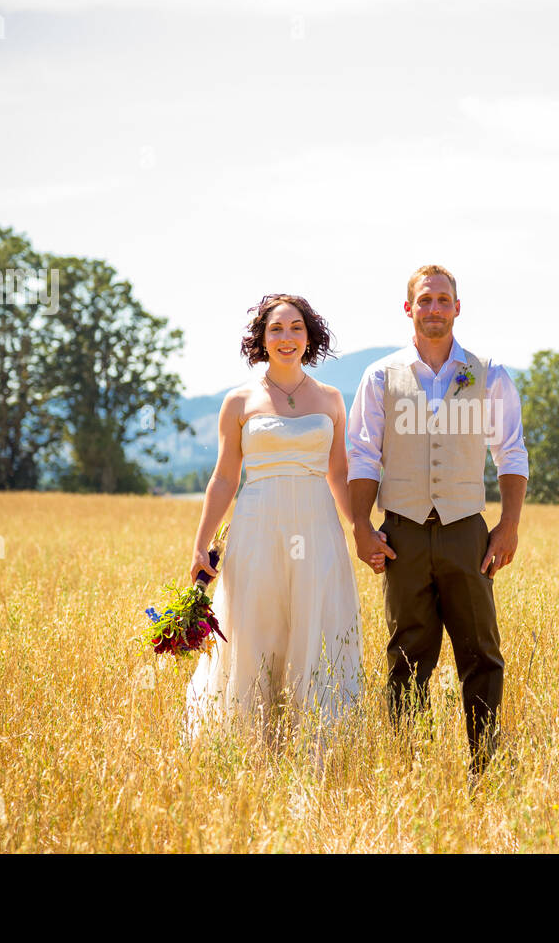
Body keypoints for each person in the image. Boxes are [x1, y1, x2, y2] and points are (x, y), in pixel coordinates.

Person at [347, 264, 528, 779]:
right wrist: (361, 525)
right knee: (406, 655)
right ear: (409, 309)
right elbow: (362, 455)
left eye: (442, 300)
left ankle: (485, 770)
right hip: (400, 532)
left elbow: (510, 452)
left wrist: (508, 525)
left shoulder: (487, 372)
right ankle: (406, 771)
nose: (433, 309)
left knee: (481, 653)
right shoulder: (381, 377)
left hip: (466, 531)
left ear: (457, 308)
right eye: (424, 300)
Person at [185, 294, 381, 750]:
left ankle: (316, 742)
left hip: (317, 528)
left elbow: (339, 474)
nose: (286, 337)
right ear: (262, 338)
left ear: (309, 337)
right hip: (257, 527)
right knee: (256, 628)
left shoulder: (332, 398)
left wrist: (361, 528)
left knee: (315, 626)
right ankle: (250, 743)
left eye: (296, 328)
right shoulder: (238, 401)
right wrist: (200, 545)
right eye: (276, 329)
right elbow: (224, 477)